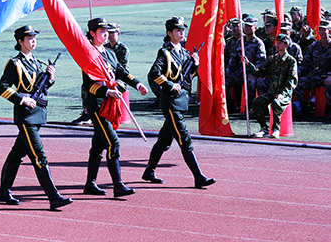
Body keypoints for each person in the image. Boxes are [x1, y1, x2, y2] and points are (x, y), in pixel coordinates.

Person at [0, 25, 72, 209]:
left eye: (34, 37)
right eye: (29, 38)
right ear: (20, 42)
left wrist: (51, 79)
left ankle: (4, 191)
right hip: (25, 116)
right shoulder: (14, 63)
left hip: (37, 114)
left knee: (17, 154)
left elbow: (40, 89)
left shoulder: (37, 63)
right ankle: (53, 196)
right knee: (39, 156)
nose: (33, 40)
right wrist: (22, 100)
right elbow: (2, 88)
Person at [142, 17, 216, 188]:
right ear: (169, 33)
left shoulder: (184, 52)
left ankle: (149, 171)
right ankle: (198, 177)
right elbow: (154, 73)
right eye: (178, 30)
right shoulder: (165, 52)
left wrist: (195, 65)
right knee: (184, 138)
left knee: (164, 140)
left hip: (180, 101)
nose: (182, 33)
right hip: (170, 102)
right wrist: (169, 84)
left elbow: (186, 78)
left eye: (183, 30)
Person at [80, 18, 148, 197]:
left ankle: (90, 184)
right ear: (92, 33)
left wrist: (138, 84)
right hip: (98, 105)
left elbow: (121, 72)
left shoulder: (109, 53)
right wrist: (106, 92)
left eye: (107, 31)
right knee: (113, 142)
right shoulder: (89, 54)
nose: (106, 34)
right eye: (101, 31)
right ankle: (118, 185)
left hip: (111, 105)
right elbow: (88, 85)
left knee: (98, 144)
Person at [244, 34, 298, 139]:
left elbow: (292, 81)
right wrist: (248, 64)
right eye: (276, 42)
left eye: (280, 43)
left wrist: (283, 94)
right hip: (272, 92)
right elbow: (259, 72)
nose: (277, 44)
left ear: (286, 45)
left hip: (284, 93)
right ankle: (264, 128)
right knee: (256, 103)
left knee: (276, 103)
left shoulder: (291, 61)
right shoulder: (272, 59)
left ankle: (276, 129)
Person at [226, 16, 266, 112]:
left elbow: (261, 61)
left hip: (252, 73)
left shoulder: (258, 43)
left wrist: (254, 74)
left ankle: (249, 108)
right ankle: (230, 105)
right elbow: (234, 59)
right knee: (226, 81)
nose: (247, 28)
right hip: (241, 71)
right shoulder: (240, 41)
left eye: (250, 26)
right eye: (246, 26)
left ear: (255, 27)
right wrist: (228, 71)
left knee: (251, 83)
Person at [293, 20, 331, 117]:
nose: (321, 32)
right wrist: (296, 73)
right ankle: (304, 108)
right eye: (320, 29)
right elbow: (306, 63)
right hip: (317, 75)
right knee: (297, 83)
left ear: (329, 31)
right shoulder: (314, 46)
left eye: (324, 30)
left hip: (329, 75)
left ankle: (329, 110)